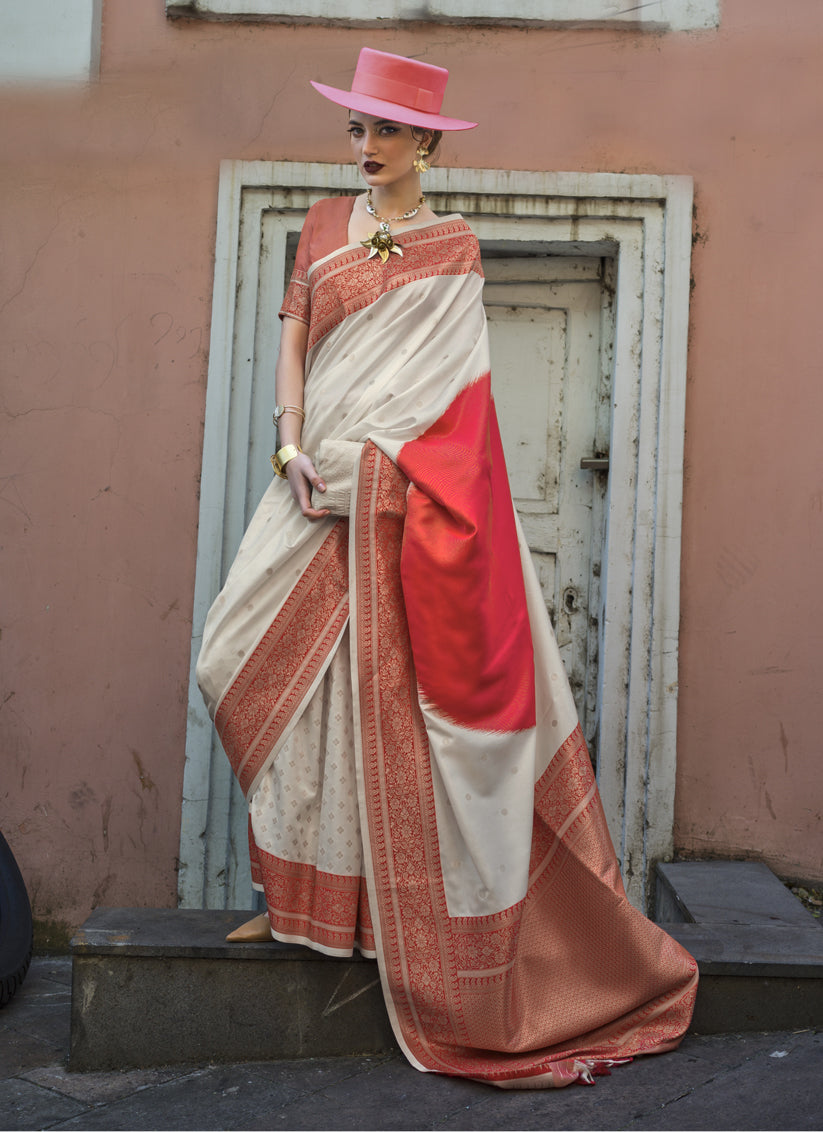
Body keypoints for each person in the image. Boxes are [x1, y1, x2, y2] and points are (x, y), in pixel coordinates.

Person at [196, 47, 698, 1090]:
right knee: (237, 666)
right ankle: (295, 897)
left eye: (384, 132)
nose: (366, 149)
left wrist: (380, 471)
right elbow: (293, 339)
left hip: (393, 498)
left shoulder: (455, 247)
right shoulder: (325, 229)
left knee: (369, 701)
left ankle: (360, 917)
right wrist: (289, 447)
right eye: (357, 130)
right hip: (308, 486)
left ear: (425, 140)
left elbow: (455, 403)